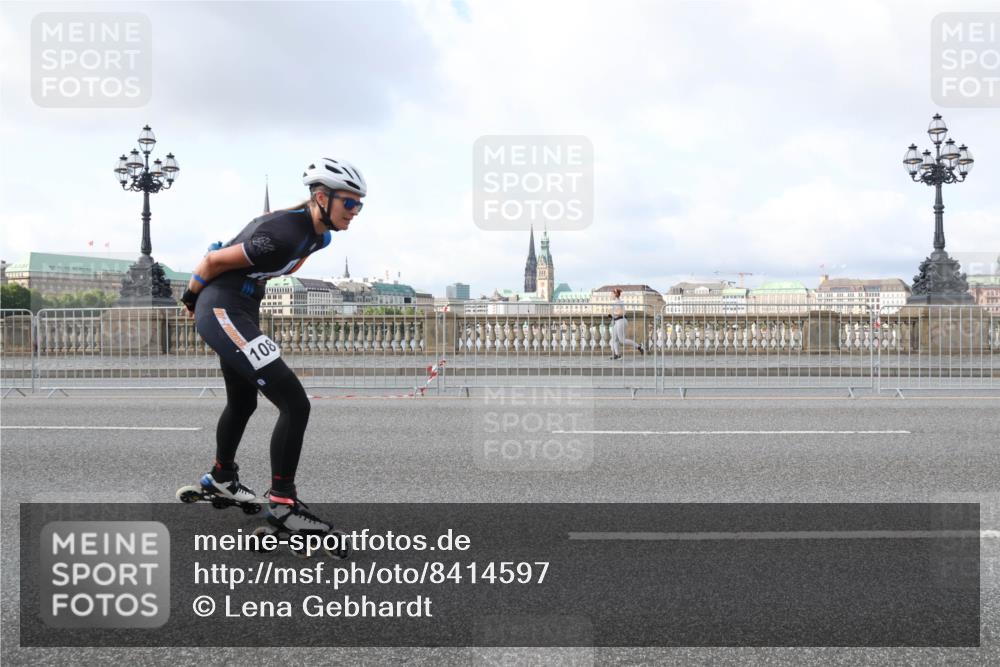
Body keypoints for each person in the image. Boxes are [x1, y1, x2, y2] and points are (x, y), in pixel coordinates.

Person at [178, 157, 366, 536]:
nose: (355, 212)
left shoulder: (320, 235)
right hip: (221, 308)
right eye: (349, 203)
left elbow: (283, 258)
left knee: (243, 401)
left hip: (242, 310)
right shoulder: (280, 235)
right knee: (295, 403)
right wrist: (189, 297)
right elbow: (213, 259)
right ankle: (283, 503)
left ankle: (222, 477)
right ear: (321, 197)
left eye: (359, 205)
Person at [608, 287, 644, 360]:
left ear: (615, 294)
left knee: (621, 340)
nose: (610, 296)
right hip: (618, 321)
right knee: (614, 339)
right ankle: (617, 355)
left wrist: (612, 313)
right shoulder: (617, 302)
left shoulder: (618, 302)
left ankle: (639, 347)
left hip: (621, 321)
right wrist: (612, 315)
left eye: (611, 294)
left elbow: (622, 313)